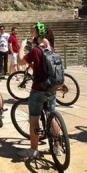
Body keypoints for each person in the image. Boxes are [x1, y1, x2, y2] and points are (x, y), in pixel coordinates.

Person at [16, 21, 57, 159]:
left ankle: (33, 150)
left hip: (39, 88)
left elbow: (21, 61)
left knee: (34, 118)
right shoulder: (50, 48)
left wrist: (21, 47)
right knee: (52, 116)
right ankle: (57, 147)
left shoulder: (35, 50)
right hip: (52, 87)